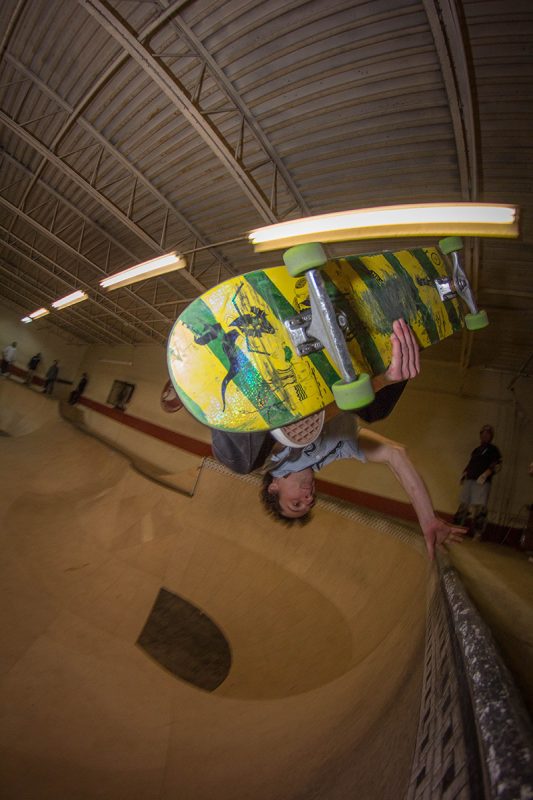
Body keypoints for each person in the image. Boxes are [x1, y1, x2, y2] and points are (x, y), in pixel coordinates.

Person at [213, 319, 465, 560]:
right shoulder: (336, 449)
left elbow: (300, 425)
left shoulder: (274, 461)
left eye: (296, 503)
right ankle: (398, 335)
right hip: (333, 364)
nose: (308, 499)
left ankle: (225, 355)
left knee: (244, 461)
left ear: (274, 487)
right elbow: (395, 455)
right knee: (376, 411)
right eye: (309, 503)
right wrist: (428, 520)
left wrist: (384, 381)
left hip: (270, 384)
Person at [453, 424, 502, 538]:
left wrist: (486, 474)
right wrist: (464, 473)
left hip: (482, 482)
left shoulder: (493, 450)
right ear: (480, 435)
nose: (485, 436)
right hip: (470, 479)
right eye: (483, 433)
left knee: (480, 508)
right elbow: (471, 463)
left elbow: (497, 465)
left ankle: (478, 533)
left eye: (488, 434)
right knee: (463, 505)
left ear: (491, 436)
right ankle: (457, 528)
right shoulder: (476, 450)